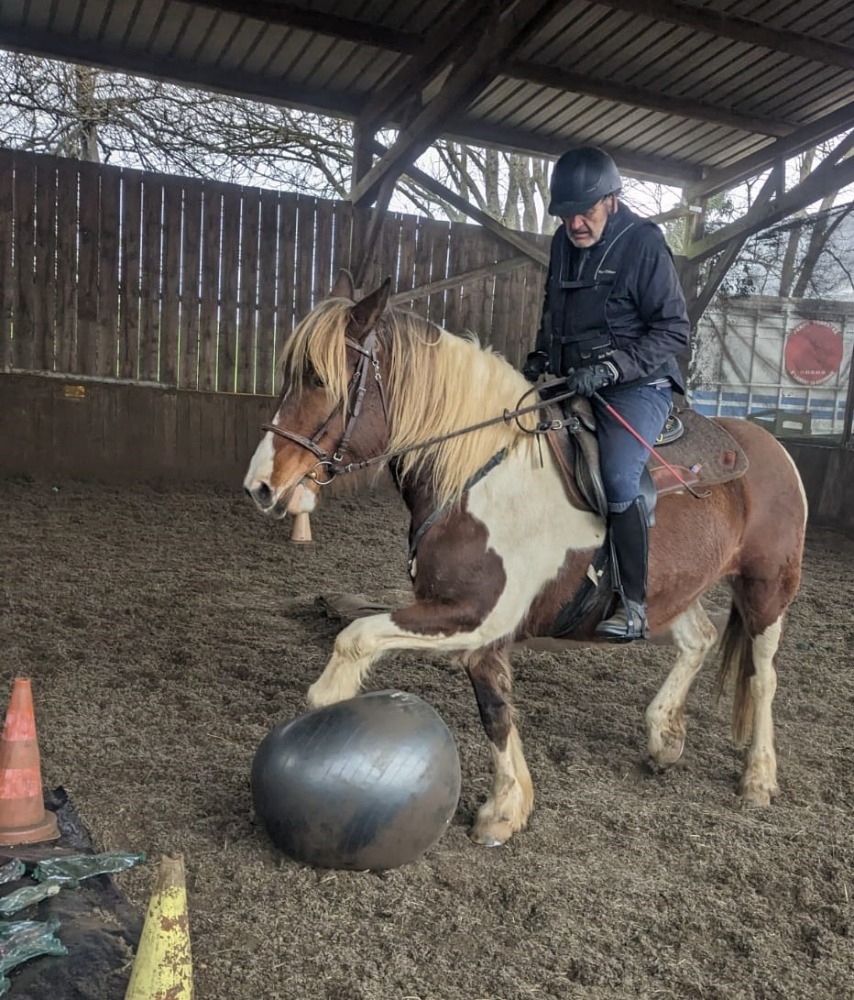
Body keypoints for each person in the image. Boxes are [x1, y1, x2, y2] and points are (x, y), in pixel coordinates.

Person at [523, 146, 690, 642]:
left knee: (618, 479)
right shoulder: (562, 242)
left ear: (612, 200)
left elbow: (674, 329)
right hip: (572, 380)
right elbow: (555, 312)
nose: (576, 223)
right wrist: (540, 357)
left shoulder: (643, 244)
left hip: (639, 384)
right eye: (567, 214)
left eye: (585, 211)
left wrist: (614, 366)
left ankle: (633, 604)